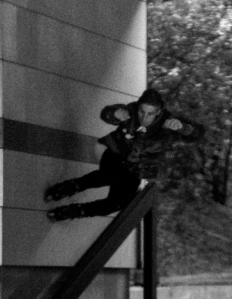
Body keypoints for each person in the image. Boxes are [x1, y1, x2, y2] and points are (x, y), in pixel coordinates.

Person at [44, 88, 204, 221]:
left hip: (136, 168)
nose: (144, 118)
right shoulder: (131, 110)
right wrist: (114, 114)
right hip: (115, 156)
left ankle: (74, 211)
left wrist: (183, 128)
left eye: (150, 114)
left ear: (159, 112)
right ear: (138, 107)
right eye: (142, 111)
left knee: (118, 203)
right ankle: (66, 188)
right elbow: (106, 113)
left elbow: (198, 133)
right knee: (109, 176)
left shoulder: (168, 122)